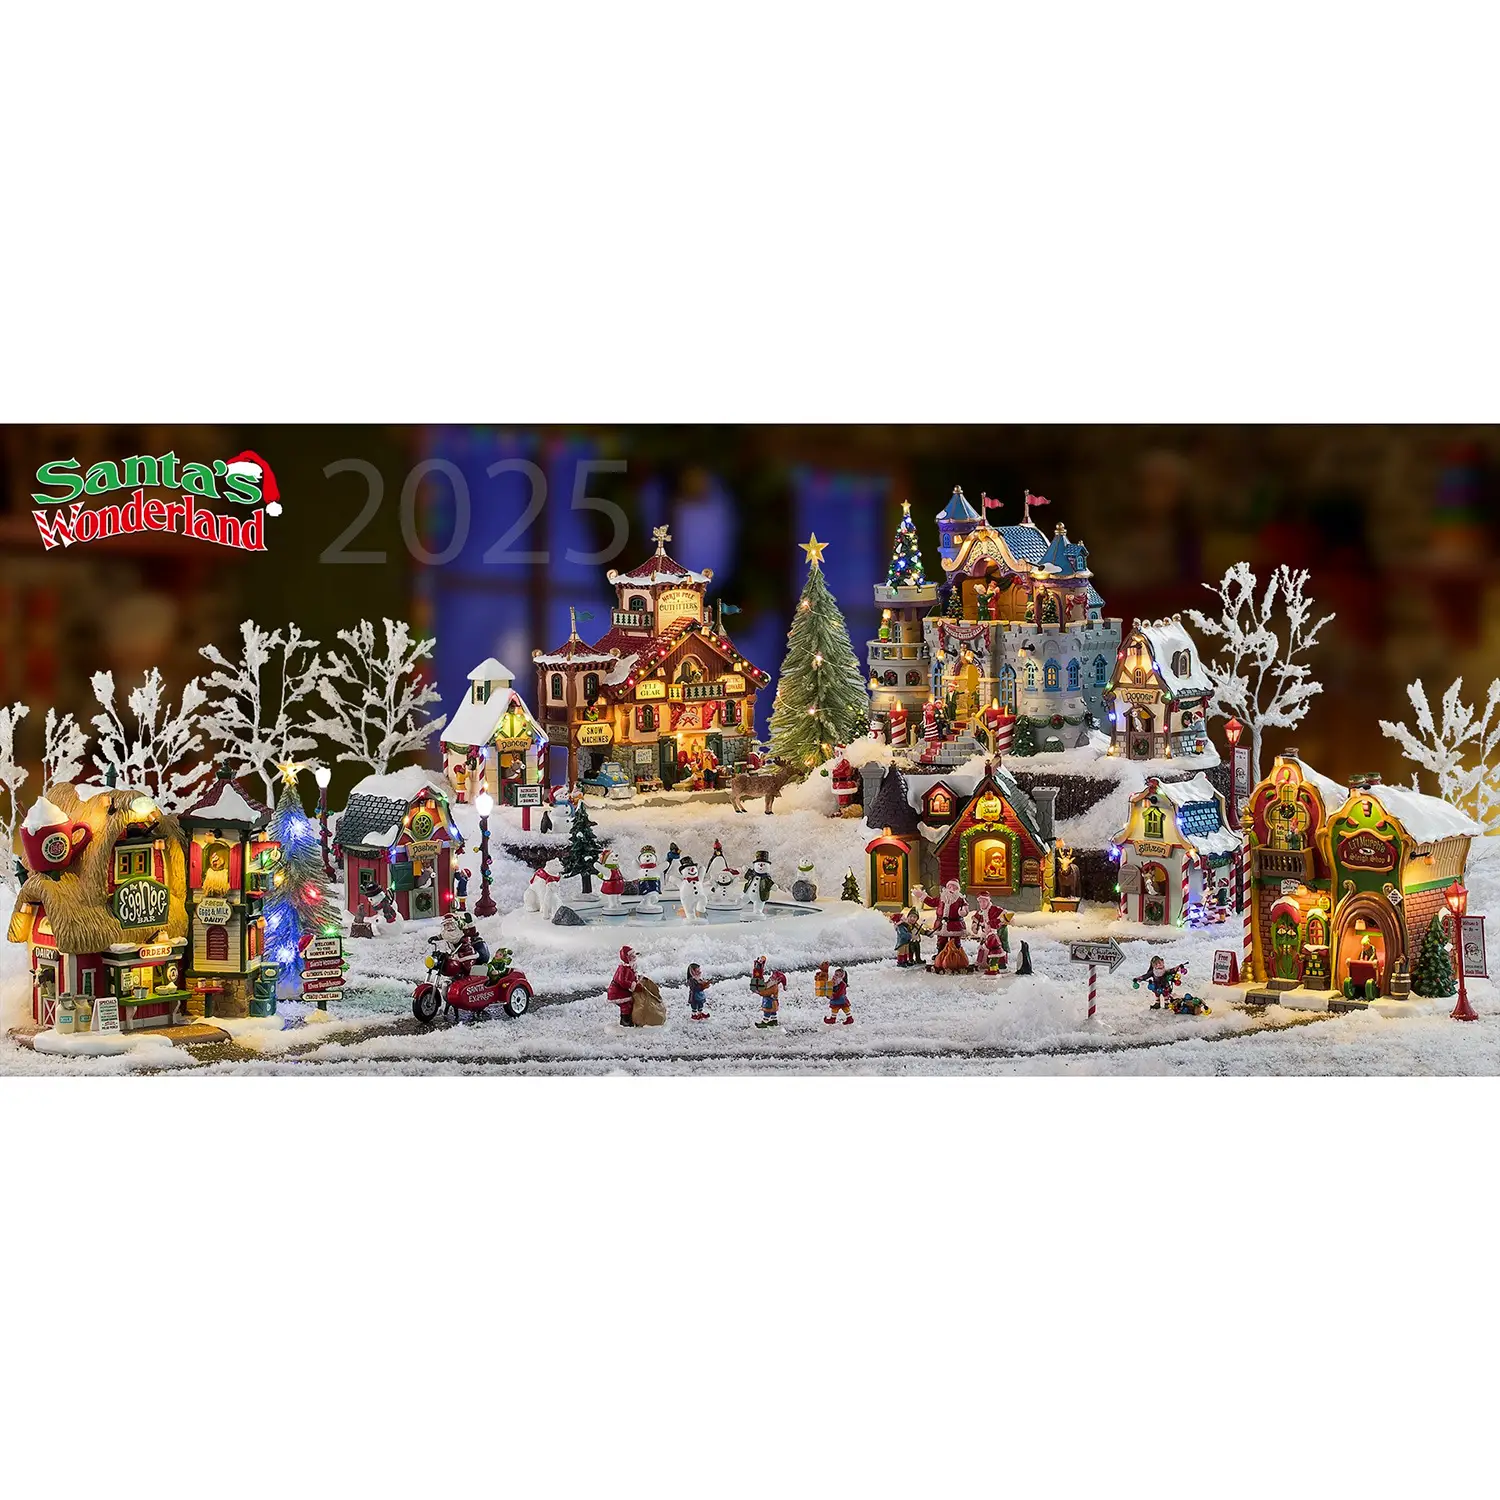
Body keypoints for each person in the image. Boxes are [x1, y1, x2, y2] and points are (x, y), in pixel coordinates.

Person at [752, 954, 787, 1028]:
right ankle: (774, 1020)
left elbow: (766, 992)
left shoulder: (773, 986)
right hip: (771, 1000)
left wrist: (759, 992)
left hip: (769, 1000)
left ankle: (765, 1022)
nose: (770, 979)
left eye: (772, 978)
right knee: (772, 1011)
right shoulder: (771, 984)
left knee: (767, 1011)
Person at [608, 944, 639, 1026]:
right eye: (631, 956)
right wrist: (632, 985)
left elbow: (631, 977)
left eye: (634, 954)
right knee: (626, 1005)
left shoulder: (630, 967)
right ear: (627, 958)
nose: (634, 957)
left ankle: (629, 1019)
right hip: (617, 992)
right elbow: (622, 981)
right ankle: (625, 1021)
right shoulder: (623, 968)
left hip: (623, 991)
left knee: (630, 1004)